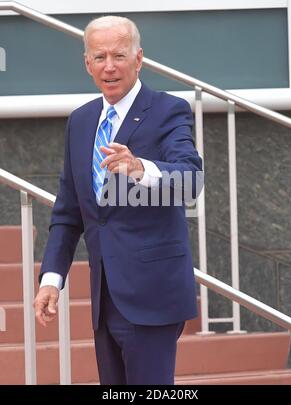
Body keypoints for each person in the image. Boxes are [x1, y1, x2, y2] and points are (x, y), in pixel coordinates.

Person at [34, 15, 204, 385]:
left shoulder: (168, 110)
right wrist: (51, 278)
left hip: (152, 294)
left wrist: (141, 168)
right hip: (105, 297)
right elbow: (68, 211)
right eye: (99, 57)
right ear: (87, 64)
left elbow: (191, 180)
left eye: (119, 55)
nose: (109, 66)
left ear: (139, 59)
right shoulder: (80, 122)